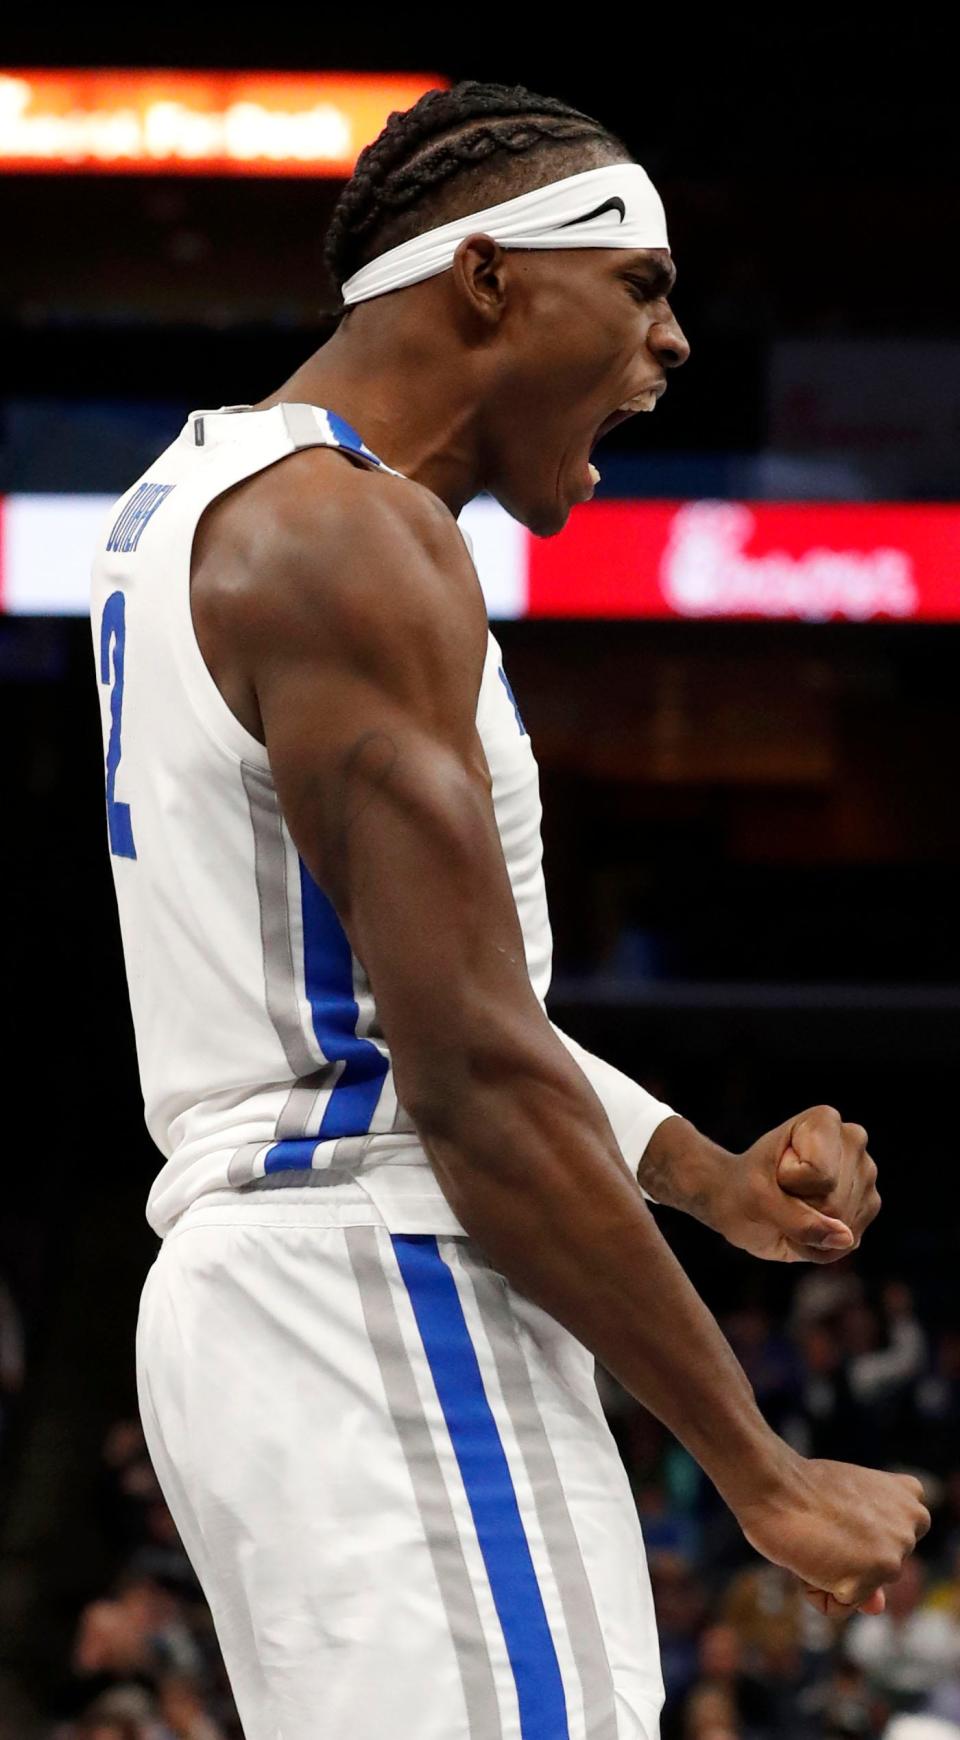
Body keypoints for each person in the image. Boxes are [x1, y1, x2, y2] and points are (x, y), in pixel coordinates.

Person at [91, 80, 928, 1740]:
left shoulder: (195, 505)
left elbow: (401, 1011)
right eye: (640, 286)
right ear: (487, 279)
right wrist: (764, 1474)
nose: (675, 341)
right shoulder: (353, 538)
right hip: (382, 1284)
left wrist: (708, 1178)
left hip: (276, 1295)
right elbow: (466, 1073)